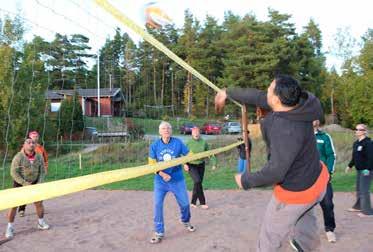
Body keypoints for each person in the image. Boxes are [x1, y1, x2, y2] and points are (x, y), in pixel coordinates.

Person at [215, 74, 328, 252]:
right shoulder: (302, 105)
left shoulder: (286, 129)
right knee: (306, 216)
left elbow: (275, 172)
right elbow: (259, 97)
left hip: (296, 192)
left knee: (269, 237)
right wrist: (228, 92)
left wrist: (245, 180)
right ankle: (307, 245)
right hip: (317, 180)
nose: (265, 91)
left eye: (269, 89)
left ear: (276, 99)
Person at [148, 121, 196, 244]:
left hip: (177, 180)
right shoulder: (154, 146)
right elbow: (151, 165)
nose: (166, 130)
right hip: (161, 182)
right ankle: (159, 232)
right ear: (159, 132)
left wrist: (186, 162)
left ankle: (185, 220)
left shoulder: (178, 142)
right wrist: (162, 174)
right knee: (157, 205)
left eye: (169, 128)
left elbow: (189, 154)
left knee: (185, 204)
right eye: (164, 128)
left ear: (171, 130)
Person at [5, 137, 50, 239]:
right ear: (24, 145)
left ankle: (41, 223)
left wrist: (39, 182)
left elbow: (42, 171)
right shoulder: (18, 157)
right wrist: (24, 183)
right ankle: (10, 227)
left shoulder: (39, 156)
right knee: (13, 206)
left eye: (33, 142)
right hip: (20, 183)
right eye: (28, 142)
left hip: (35, 183)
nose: (31, 144)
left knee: (39, 203)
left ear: (35, 145)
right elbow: (13, 172)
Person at [313, 119, 337, 242]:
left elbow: (331, 155)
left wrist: (329, 172)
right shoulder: (300, 135)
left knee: (327, 204)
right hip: (305, 178)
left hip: (322, 177)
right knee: (301, 207)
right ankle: (302, 234)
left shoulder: (325, 137)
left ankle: (330, 230)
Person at [184, 127, 217, 209]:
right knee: (197, 181)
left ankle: (193, 202)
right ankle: (203, 202)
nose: (196, 134)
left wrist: (214, 163)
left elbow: (210, 153)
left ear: (199, 133)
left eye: (197, 132)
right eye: (194, 132)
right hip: (191, 165)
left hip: (201, 165)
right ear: (192, 134)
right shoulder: (188, 143)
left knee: (197, 183)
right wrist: (185, 164)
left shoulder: (203, 142)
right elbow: (182, 154)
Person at [18, 130, 49, 217]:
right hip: (26, 175)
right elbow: (20, 159)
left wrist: (45, 168)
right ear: (30, 137)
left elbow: (45, 159)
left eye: (36, 137)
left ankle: (39, 209)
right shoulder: (24, 147)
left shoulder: (41, 148)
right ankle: (21, 210)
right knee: (25, 192)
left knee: (39, 192)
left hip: (38, 173)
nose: (35, 138)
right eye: (33, 136)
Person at [345, 124, 373, 217]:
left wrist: (367, 169)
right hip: (359, 170)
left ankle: (368, 212)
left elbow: (371, 158)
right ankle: (359, 206)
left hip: (366, 170)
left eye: (359, 129)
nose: (356, 131)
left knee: (364, 190)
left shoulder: (368, 143)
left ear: (364, 131)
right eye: (356, 129)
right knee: (359, 189)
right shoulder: (356, 143)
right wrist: (349, 166)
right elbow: (355, 157)